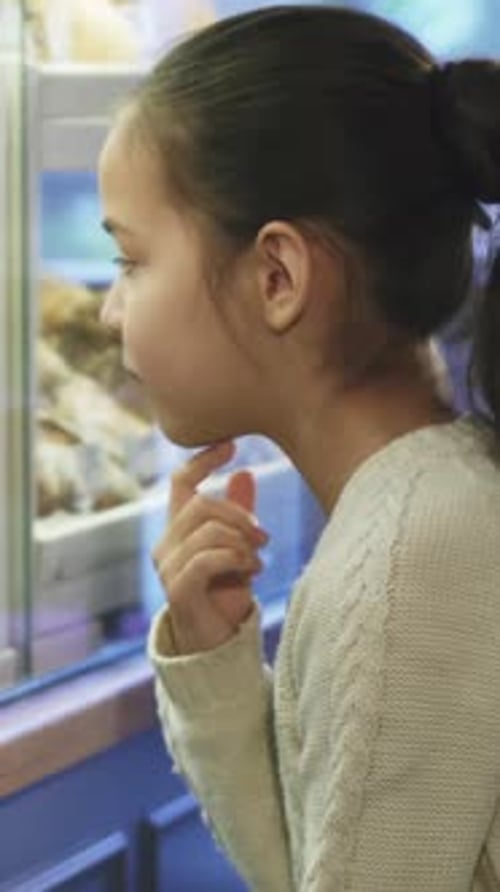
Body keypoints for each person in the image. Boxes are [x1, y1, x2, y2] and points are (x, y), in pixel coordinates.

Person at [98, 5, 500, 889]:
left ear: (277, 277)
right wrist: (216, 662)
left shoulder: (413, 557)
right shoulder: (422, 509)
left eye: (130, 263)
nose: (108, 311)